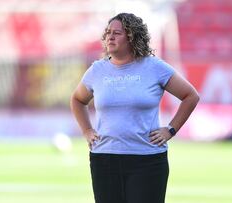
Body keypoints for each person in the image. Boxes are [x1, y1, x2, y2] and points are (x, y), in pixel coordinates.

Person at [71, 13, 199, 203]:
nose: (110, 37)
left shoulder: (155, 67)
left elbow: (190, 96)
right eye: (107, 33)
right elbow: (77, 99)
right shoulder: (97, 70)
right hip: (104, 159)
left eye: (117, 33)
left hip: (147, 161)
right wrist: (88, 130)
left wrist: (170, 130)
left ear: (132, 37)